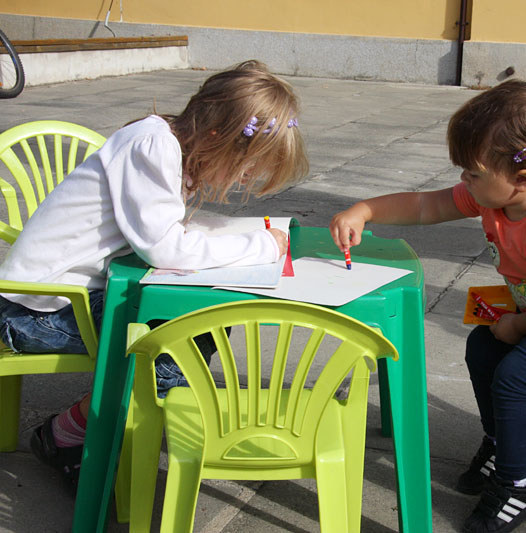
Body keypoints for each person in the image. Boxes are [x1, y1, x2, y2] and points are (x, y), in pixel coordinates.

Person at [329, 79, 526, 533]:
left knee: (515, 376)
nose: (463, 183)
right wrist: (365, 210)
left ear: (523, 180)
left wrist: (517, 327)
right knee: (481, 347)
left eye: (472, 173)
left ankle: (519, 483)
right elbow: (423, 206)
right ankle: (501, 442)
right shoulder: (494, 197)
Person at [0, 60, 308, 489]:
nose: (243, 180)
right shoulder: (152, 146)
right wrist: (258, 244)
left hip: (68, 294)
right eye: (245, 169)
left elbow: (160, 233)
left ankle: (122, 419)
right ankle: (68, 435)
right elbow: (164, 247)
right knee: (175, 342)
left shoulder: (170, 144)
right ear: (216, 137)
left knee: (200, 330)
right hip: (33, 311)